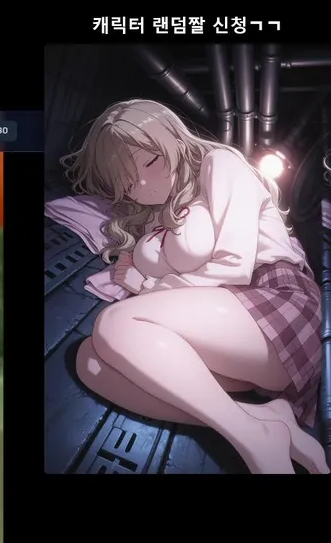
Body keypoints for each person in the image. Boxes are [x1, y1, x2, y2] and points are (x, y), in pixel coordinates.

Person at [64, 99, 329, 475]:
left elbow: (235, 265)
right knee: (90, 361)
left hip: (275, 301)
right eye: (127, 181)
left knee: (115, 323)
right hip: (228, 334)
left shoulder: (220, 164)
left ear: (174, 140)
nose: (143, 185)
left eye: (151, 161)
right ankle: (261, 421)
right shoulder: (162, 213)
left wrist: (149, 286)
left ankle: (253, 437)